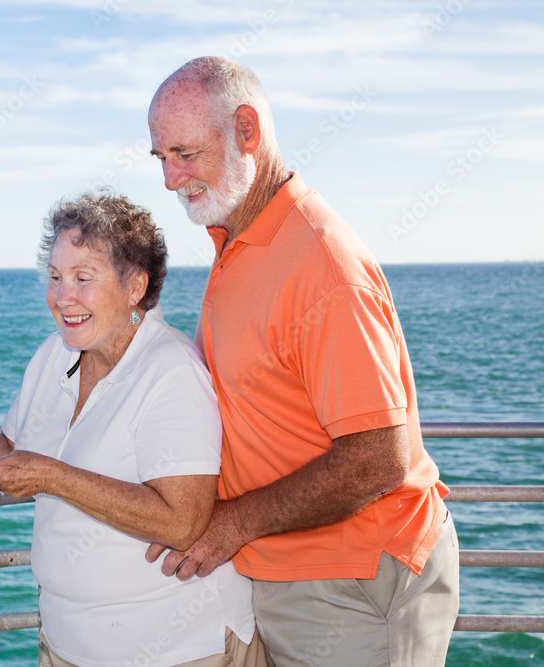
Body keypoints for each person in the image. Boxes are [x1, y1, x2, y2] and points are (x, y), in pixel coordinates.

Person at [145, 56, 460, 666]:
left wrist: (233, 523)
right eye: (160, 158)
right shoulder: (239, 237)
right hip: (293, 570)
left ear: (247, 131)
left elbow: (377, 458)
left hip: (353, 581)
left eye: (184, 154)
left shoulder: (321, 264)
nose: (169, 179)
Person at [0, 192, 264, 667]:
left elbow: (183, 521)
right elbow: (16, 453)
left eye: (83, 279)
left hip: (178, 648)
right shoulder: (54, 355)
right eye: (55, 277)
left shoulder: (171, 370)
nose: (63, 297)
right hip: (69, 645)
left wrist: (53, 477)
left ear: (134, 287)